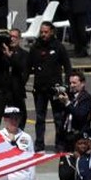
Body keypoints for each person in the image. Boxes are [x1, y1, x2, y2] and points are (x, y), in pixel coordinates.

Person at [28, 21, 71, 152]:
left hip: (55, 89)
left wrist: (67, 85)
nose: (43, 34)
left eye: (46, 32)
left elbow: (68, 66)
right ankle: (39, 143)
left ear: (51, 32)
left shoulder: (58, 47)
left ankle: (59, 143)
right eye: (41, 32)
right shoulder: (35, 47)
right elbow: (28, 66)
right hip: (40, 89)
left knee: (58, 117)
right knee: (40, 118)